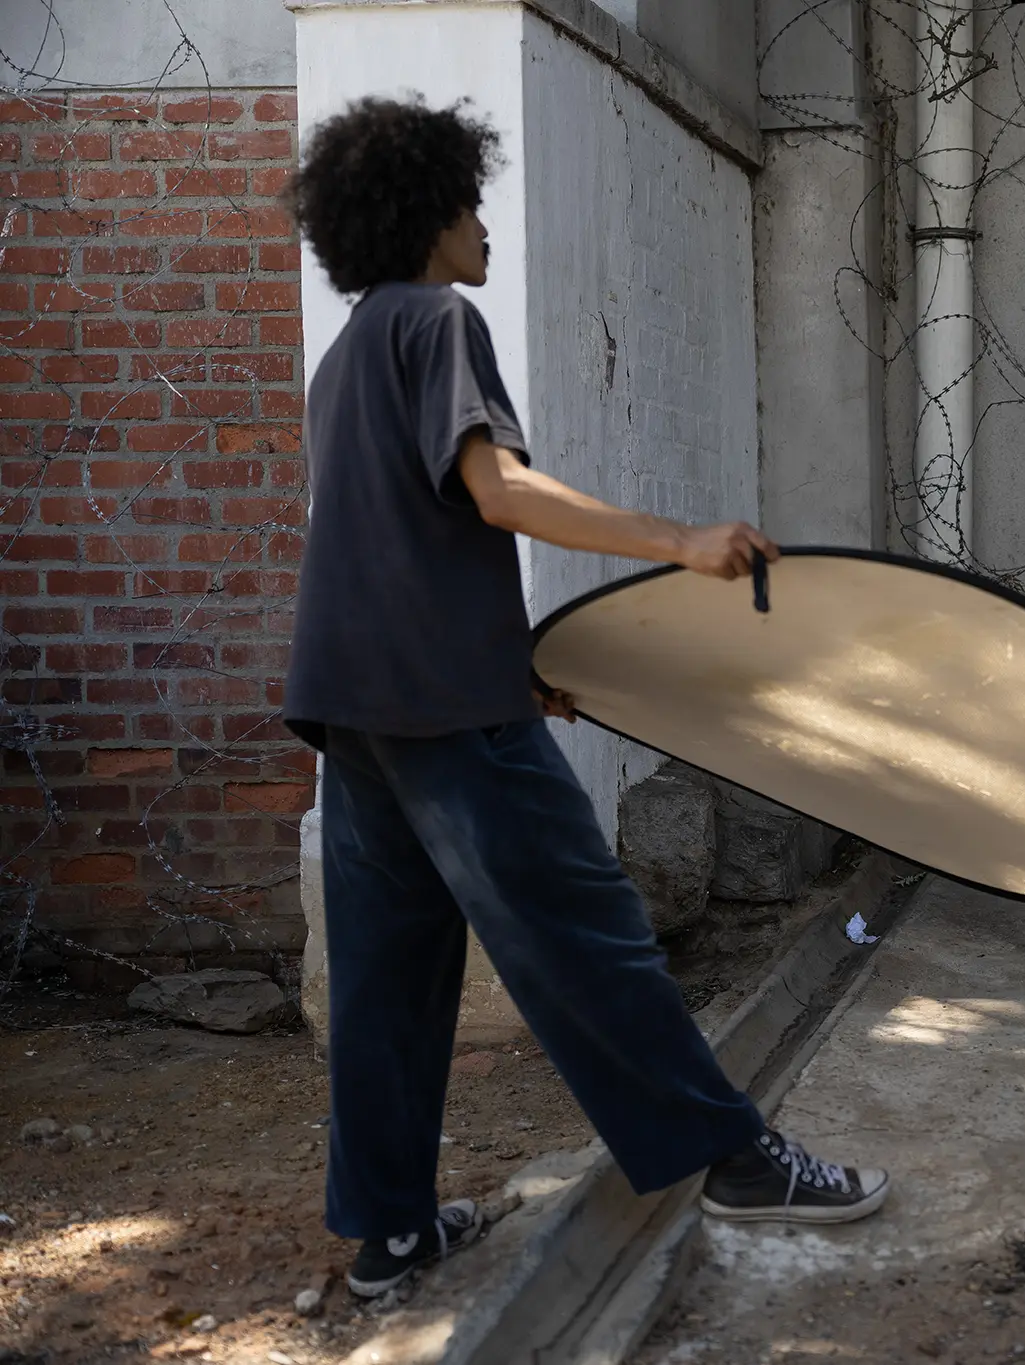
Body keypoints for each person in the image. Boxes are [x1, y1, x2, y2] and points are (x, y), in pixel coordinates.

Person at [285, 96, 888, 1300]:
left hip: (351, 707)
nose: (483, 227)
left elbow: (396, 545)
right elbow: (497, 493)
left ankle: (390, 1234)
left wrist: (511, 665)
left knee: (387, 980)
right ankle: (728, 1156)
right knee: (588, 934)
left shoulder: (346, 355)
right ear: (421, 215)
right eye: (466, 204)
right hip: (445, 720)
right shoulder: (436, 321)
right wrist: (680, 541)